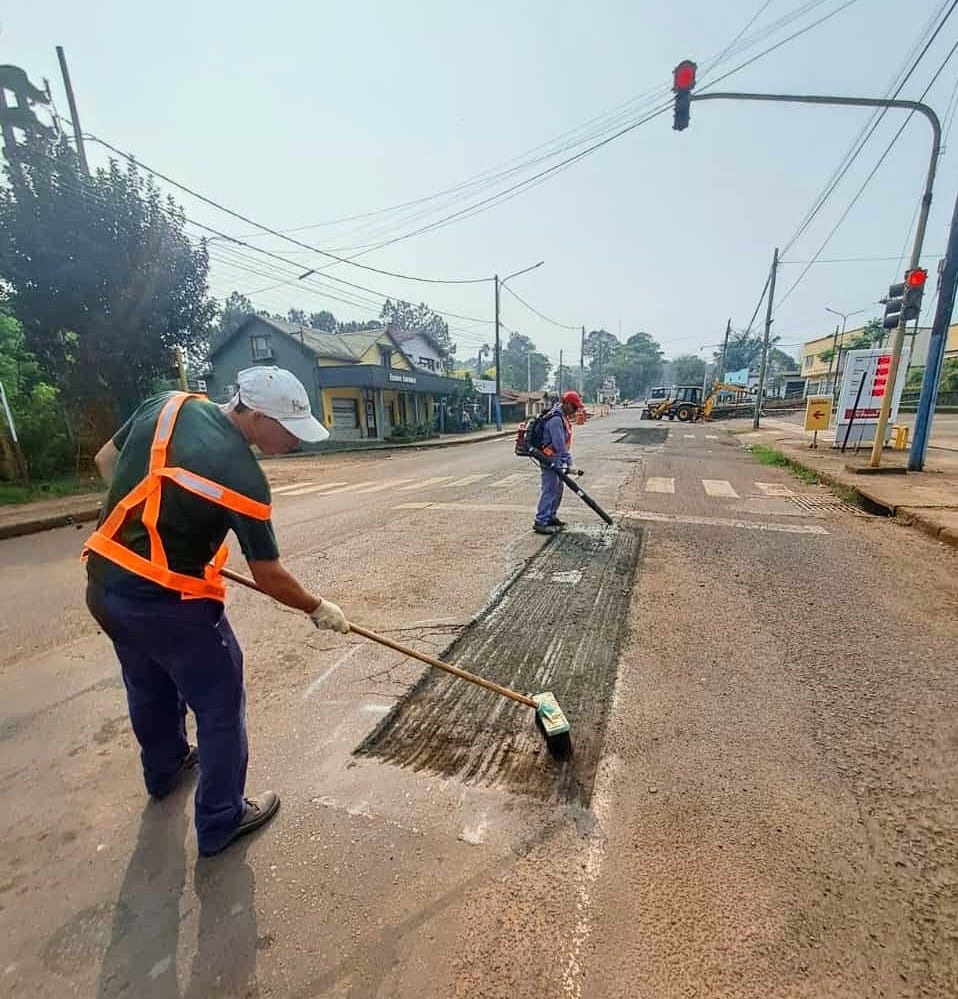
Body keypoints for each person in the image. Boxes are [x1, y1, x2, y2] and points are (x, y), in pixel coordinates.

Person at [84, 366, 350, 858]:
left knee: (148, 682)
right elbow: (269, 576)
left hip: (106, 587)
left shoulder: (168, 404)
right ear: (255, 416)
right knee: (220, 702)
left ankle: (164, 771)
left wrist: (152, 531)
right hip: (168, 605)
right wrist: (318, 608)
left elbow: (107, 461)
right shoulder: (243, 477)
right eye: (288, 432)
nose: (294, 443)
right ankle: (221, 817)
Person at [533, 390, 586, 535]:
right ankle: (541, 521)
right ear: (567, 404)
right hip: (550, 459)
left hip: (556, 460)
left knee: (558, 489)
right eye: (574, 407)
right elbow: (559, 444)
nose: (576, 411)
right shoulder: (556, 419)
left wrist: (565, 461)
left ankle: (551, 516)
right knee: (550, 490)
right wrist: (569, 462)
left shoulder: (562, 416)